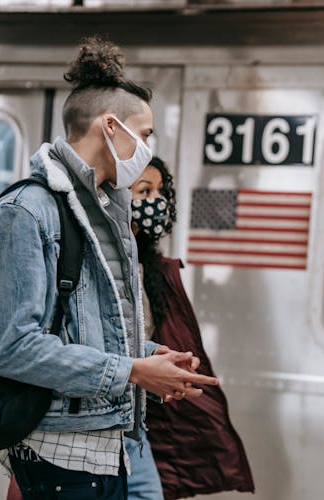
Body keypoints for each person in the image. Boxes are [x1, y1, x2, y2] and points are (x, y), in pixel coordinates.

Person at [0, 37, 218, 499]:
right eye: (146, 133)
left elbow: (86, 330)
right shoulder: (27, 211)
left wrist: (150, 356)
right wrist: (132, 372)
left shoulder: (104, 211)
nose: (148, 147)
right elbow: (14, 347)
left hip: (108, 447)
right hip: (56, 457)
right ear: (111, 127)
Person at [125, 157, 254, 498]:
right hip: (105, 417)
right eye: (144, 191)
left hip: (133, 418)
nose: (156, 201)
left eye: (159, 192)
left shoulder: (151, 267)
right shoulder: (106, 263)